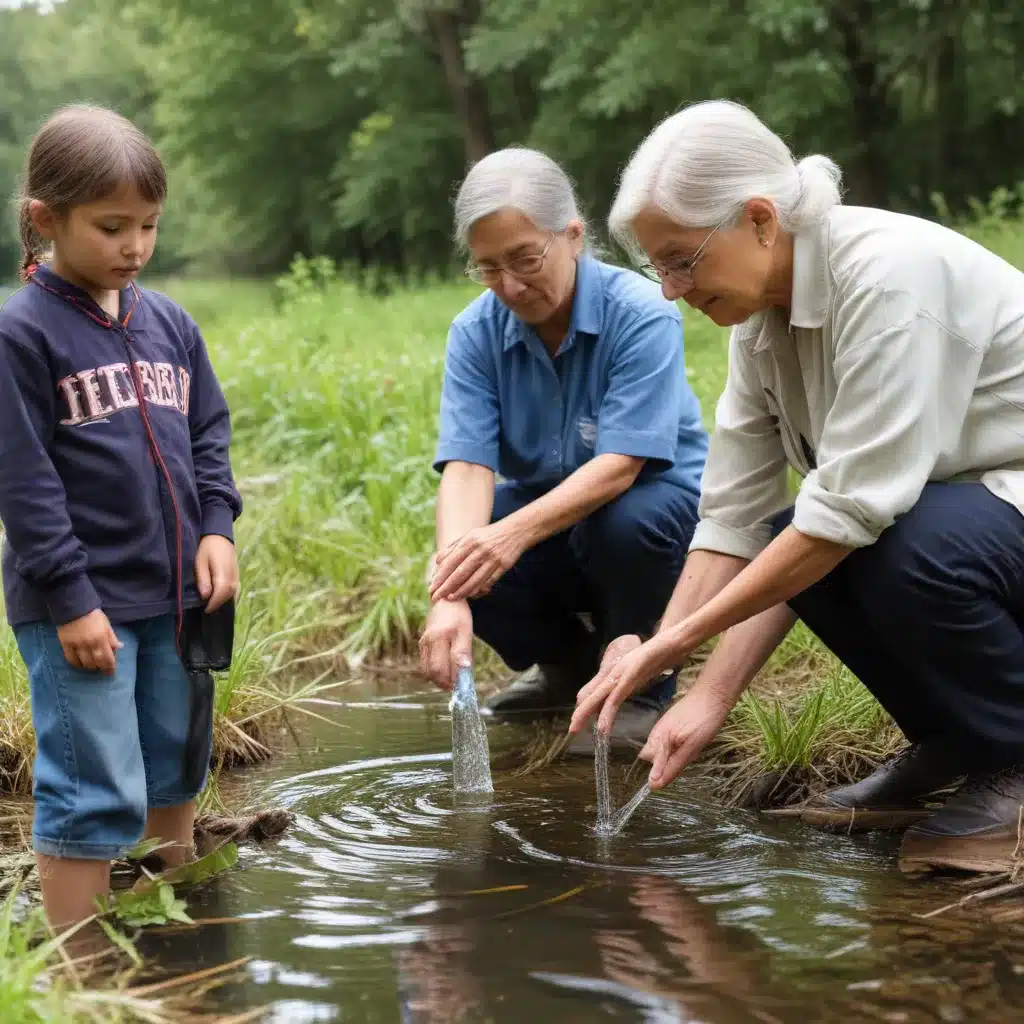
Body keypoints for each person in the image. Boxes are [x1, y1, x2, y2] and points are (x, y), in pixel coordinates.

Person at [569, 99, 1024, 875]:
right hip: (967, 517)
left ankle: (1016, 757)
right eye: (658, 267)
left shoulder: (885, 279)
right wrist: (679, 673)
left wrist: (679, 643)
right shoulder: (759, 324)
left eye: (681, 259)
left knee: (898, 548)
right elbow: (735, 521)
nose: (671, 291)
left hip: (995, 511)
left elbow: (850, 512)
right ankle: (960, 745)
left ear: (759, 219)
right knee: (805, 534)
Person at [0, 105, 242, 930]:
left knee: (175, 760)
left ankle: (177, 931)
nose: (134, 246)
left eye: (148, 225)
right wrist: (70, 599)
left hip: (177, 595)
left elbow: (208, 433)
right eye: (111, 227)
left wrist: (218, 529)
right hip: (84, 607)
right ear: (45, 219)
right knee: (94, 780)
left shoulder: (170, 323)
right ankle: (83, 972)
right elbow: (23, 481)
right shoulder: (20, 334)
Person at [419, 147, 708, 747]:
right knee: (464, 550)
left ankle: (643, 684)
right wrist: (451, 588)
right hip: (551, 516)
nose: (510, 285)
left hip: (655, 515)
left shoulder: (641, 313)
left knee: (625, 522)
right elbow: (468, 466)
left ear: (573, 236)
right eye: (488, 267)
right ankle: (570, 669)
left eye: (525, 258)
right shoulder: (474, 333)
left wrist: (508, 536)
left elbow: (621, 466)